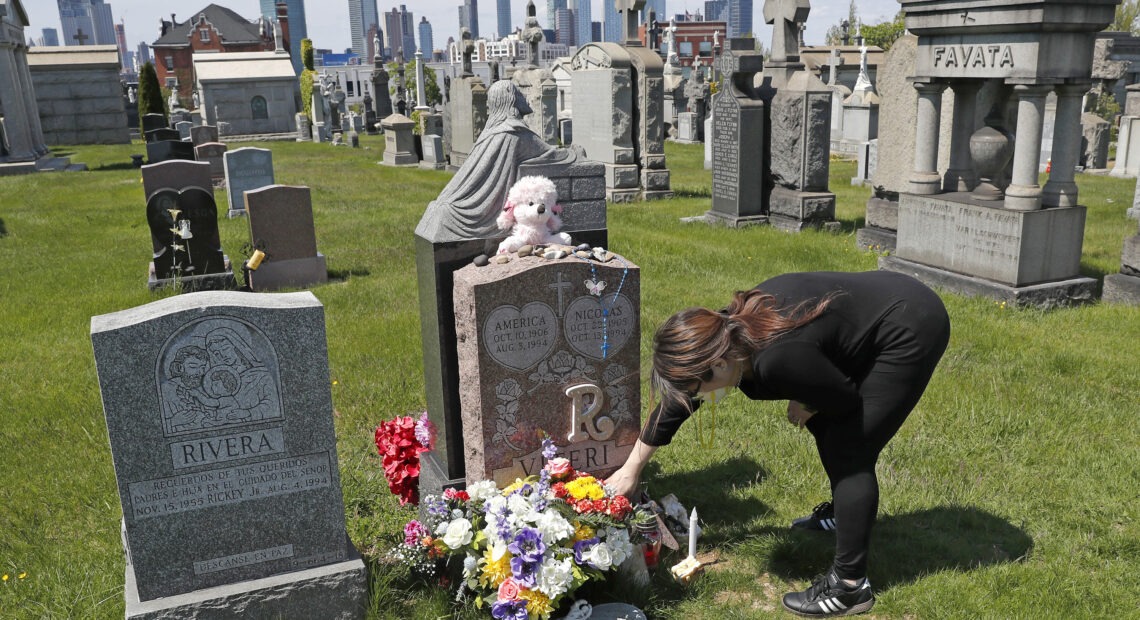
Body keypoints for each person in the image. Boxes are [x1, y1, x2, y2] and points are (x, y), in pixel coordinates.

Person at [606, 271, 951, 618]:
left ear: (721, 364)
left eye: (696, 388)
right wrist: (632, 468)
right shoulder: (720, 334)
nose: (696, 398)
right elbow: (678, 403)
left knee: (849, 448)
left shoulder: (776, 361)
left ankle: (850, 587)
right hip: (871, 311)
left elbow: (845, 400)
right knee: (831, 433)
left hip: (909, 325)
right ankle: (846, 515)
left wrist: (809, 398)